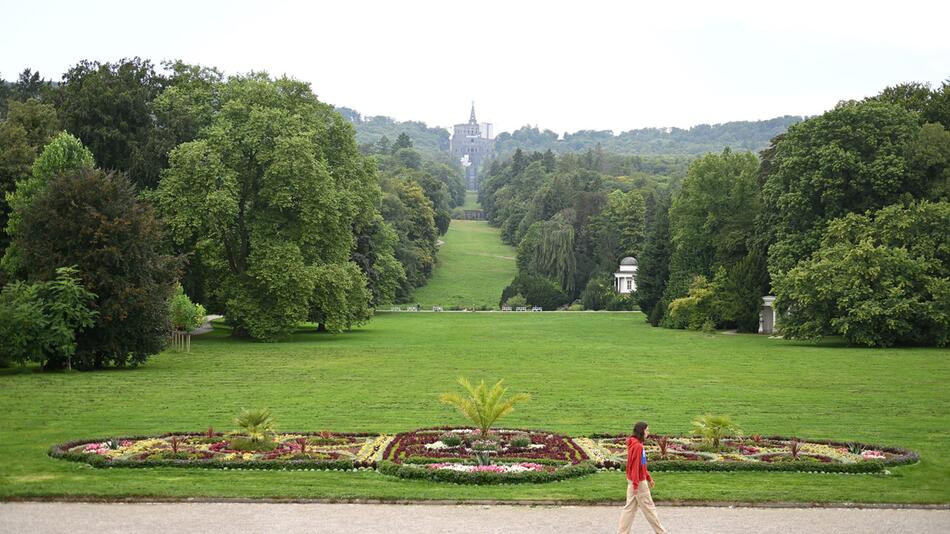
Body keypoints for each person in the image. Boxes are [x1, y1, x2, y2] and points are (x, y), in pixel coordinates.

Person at [617, 421, 668, 534]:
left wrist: (649, 478)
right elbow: (635, 467)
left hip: (633, 481)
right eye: (647, 430)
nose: (648, 432)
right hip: (638, 483)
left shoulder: (634, 443)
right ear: (642, 431)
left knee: (629, 509)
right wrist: (636, 485)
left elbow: (641, 465)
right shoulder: (638, 446)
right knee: (650, 509)